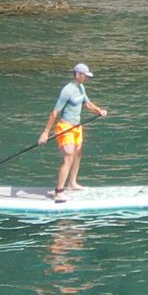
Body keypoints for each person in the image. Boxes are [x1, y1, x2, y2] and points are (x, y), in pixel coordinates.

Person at [40, 62, 109, 201]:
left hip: (77, 127)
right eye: (85, 75)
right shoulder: (67, 90)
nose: (87, 78)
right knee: (68, 157)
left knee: (78, 154)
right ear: (77, 75)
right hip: (65, 127)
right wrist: (45, 133)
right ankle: (59, 192)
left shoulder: (81, 88)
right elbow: (55, 112)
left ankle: (72, 183)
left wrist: (99, 110)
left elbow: (87, 104)